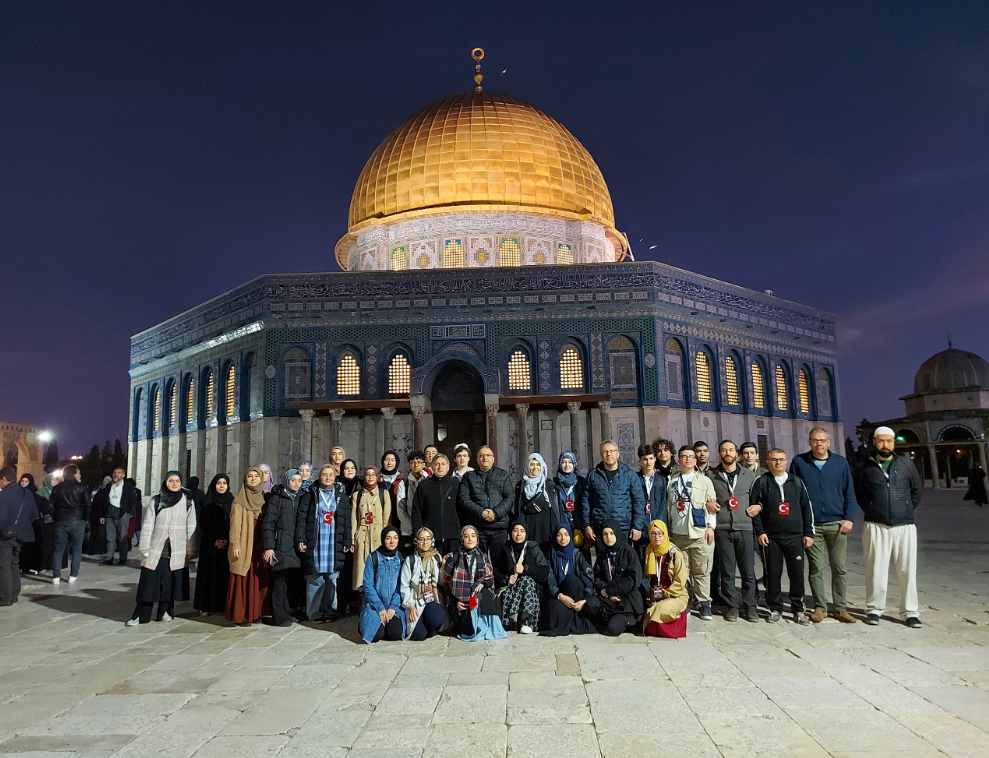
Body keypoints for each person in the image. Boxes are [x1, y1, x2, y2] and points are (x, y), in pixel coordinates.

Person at [790, 428, 859, 624]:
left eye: (822, 440)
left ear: (829, 443)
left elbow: (849, 492)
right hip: (812, 527)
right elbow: (795, 493)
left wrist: (848, 518)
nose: (819, 444)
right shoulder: (800, 462)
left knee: (839, 567)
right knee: (815, 568)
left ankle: (840, 607)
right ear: (809, 442)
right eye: (815, 440)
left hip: (836, 524)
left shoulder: (840, 463)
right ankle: (820, 607)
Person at [857, 427, 923, 628]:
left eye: (889, 441)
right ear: (874, 442)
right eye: (881, 441)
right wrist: (873, 509)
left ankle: (910, 611)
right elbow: (860, 493)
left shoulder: (906, 464)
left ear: (894, 443)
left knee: (907, 569)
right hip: (876, 524)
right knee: (875, 569)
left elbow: (916, 491)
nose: (885, 445)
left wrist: (904, 509)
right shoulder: (864, 466)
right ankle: (874, 609)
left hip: (904, 525)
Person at [751, 449, 814, 624]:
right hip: (771, 537)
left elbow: (806, 508)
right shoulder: (762, 482)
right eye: (774, 460)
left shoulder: (797, 482)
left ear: (786, 462)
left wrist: (808, 532)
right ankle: (775, 608)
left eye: (781, 459)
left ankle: (797, 608)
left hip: (795, 536)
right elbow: (754, 509)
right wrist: (760, 531)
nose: (778, 463)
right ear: (768, 462)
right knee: (772, 574)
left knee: (797, 574)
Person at [126, 472, 195, 625]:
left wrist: (190, 547)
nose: (175, 484)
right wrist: (144, 547)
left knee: (169, 582)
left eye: (177, 481)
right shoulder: (156, 500)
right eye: (171, 481)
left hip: (176, 548)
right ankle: (140, 615)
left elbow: (191, 525)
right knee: (149, 582)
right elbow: (148, 525)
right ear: (166, 482)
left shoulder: (187, 501)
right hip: (156, 548)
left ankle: (165, 611)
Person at [707, 440, 760, 622]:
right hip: (723, 529)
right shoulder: (711, 475)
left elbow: (759, 498)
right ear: (719, 453)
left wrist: (759, 506)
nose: (727, 453)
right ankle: (732, 606)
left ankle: (751, 606)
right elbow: (704, 497)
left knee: (748, 571)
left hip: (745, 527)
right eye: (723, 450)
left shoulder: (748, 475)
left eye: (731, 450)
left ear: (736, 454)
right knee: (727, 571)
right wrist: (707, 503)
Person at [665, 446, 718, 620]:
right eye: (684, 457)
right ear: (678, 461)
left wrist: (711, 527)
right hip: (677, 534)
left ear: (695, 460)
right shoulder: (671, 481)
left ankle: (704, 603)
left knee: (702, 570)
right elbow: (669, 506)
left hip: (699, 533)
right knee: (682, 571)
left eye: (691, 457)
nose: (687, 460)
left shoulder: (704, 481)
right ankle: (685, 601)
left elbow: (712, 506)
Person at [296, 464, 352, 622]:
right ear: (319, 477)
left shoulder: (340, 495)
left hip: (334, 542)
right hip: (317, 541)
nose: (327, 478)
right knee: (315, 579)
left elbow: (346, 520)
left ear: (335, 478)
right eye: (324, 475)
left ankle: (329, 611)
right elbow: (301, 519)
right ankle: (314, 613)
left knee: (331, 578)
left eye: (331, 475)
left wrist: (347, 540)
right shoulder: (310, 494)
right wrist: (301, 538)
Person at [443, 525, 507, 641]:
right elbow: (446, 584)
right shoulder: (453, 558)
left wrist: (482, 584)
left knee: (485, 592)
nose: (470, 539)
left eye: (473, 536)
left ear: (477, 539)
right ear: (462, 539)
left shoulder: (482, 557)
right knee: (468, 630)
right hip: (461, 604)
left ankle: (491, 629)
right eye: (466, 536)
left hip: (477, 600)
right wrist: (455, 602)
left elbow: (489, 578)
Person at [226, 468, 272, 627]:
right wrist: (235, 545)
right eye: (249, 477)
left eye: (256, 476)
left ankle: (257, 612)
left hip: (260, 544)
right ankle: (242, 615)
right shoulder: (239, 500)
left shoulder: (265, 499)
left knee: (259, 577)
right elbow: (234, 526)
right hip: (245, 544)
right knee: (243, 577)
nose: (253, 479)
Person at [582, 440, 646, 549]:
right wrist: (587, 525)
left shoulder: (629, 475)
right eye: (605, 452)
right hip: (600, 527)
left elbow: (639, 501)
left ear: (617, 454)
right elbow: (586, 502)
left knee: (623, 563)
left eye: (612, 451)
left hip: (623, 527)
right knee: (603, 563)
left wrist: (637, 526)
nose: (609, 454)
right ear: (601, 455)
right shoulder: (593, 476)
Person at [584, 519, 643, 636]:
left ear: (617, 533)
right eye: (605, 534)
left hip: (625, 600)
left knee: (613, 629)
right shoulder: (603, 554)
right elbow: (596, 576)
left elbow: (633, 579)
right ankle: (609, 619)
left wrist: (612, 590)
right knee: (590, 604)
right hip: (607, 598)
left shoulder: (628, 552)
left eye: (611, 533)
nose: (608, 537)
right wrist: (604, 590)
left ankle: (627, 621)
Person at [263, 469, 305, 627]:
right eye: (293, 480)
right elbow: (269, 523)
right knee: (279, 581)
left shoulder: (302, 497)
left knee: (292, 580)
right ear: (286, 481)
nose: (296, 483)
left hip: (296, 546)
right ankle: (279, 616)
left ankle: (288, 611)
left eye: (298, 480)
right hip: (280, 545)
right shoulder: (277, 498)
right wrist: (269, 547)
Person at [457, 446, 514, 558]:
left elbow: (510, 497)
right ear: (477, 459)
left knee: (499, 565)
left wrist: (496, 513)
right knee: (477, 563)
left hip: (499, 527)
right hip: (478, 527)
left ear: (493, 458)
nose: (485, 458)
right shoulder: (469, 477)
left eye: (488, 455)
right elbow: (464, 499)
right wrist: (481, 512)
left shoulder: (503, 475)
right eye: (481, 456)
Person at [494, 521, 550, 633]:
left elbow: (544, 572)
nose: (518, 534)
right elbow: (496, 572)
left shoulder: (533, 548)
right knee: (510, 589)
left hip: (530, 590)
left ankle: (525, 621)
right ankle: (512, 620)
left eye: (522, 531)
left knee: (526, 580)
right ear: (511, 533)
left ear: (526, 533)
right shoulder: (505, 549)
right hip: (511, 589)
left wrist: (526, 569)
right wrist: (506, 579)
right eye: (515, 531)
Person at [541, 523, 596, 636]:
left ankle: (576, 618)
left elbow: (588, 576)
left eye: (566, 535)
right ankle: (570, 622)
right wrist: (559, 595)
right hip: (559, 594)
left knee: (571, 580)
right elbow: (549, 577)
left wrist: (585, 599)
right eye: (559, 535)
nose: (563, 538)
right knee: (555, 609)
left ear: (570, 536)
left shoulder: (577, 554)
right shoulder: (551, 555)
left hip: (577, 594)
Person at [641, 519, 689, 638]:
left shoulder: (674, 554)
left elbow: (680, 581)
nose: (657, 537)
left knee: (660, 609)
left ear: (665, 534)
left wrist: (666, 593)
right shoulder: (648, 551)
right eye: (653, 533)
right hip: (654, 595)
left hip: (674, 595)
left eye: (660, 533)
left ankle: (681, 613)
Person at [193, 474, 233, 615]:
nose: (221, 486)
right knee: (209, 576)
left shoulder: (232, 501)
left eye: (224, 483)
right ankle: (207, 606)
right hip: (210, 547)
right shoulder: (208, 501)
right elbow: (203, 525)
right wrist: (213, 541)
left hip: (228, 544)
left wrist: (228, 540)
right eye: (218, 483)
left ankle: (223, 605)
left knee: (224, 576)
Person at [359, 526, 407, 643]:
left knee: (395, 634)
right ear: (383, 539)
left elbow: (400, 586)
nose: (392, 541)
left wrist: (392, 607)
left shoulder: (400, 558)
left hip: (392, 605)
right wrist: (380, 608)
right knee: (374, 636)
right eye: (388, 538)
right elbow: (368, 585)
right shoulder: (373, 557)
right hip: (375, 605)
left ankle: (385, 625)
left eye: (395, 538)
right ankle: (367, 623)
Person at [400, 527, 448, 640]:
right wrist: (410, 605)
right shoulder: (410, 560)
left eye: (428, 539)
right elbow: (404, 585)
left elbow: (440, 581)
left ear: (432, 541)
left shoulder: (436, 557)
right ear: (417, 541)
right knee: (418, 636)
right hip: (416, 600)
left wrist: (443, 567)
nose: (425, 542)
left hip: (433, 599)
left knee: (434, 618)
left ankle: (432, 625)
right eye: (421, 539)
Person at [0, 468, 38, 606]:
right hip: (22, 534)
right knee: (14, 563)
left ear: (4, 479)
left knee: (3, 564)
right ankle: (14, 593)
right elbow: (34, 514)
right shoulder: (26, 493)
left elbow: (1, 518)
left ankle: (5, 596)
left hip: (6, 535)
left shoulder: (4, 494)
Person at [513, 453, 565, 553]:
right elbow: (518, 508)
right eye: (532, 464)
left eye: (538, 464)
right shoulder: (521, 486)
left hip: (546, 527)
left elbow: (556, 508)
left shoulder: (550, 485)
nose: (535, 467)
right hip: (529, 525)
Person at [351, 465, 392, 591]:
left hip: (378, 534)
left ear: (377, 476)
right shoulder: (357, 495)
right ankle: (362, 599)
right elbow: (354, 519)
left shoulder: (383, 494)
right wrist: (353, 539)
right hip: (362, 535)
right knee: (361, 570)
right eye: (368, 475)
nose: (370, 477)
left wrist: (387, 538)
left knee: (378, 567)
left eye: (373, 474)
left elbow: (387, 518)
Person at [49, 464, 91, 585]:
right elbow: (87, 505)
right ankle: (73, 574)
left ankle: (56, 576)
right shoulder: (82, 487)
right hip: (77, 521)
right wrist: (86, 519)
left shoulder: (57, 488)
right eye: (78, 472)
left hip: (61, 521)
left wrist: (55, 518)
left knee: (59, 549)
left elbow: (51, 506)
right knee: (77, 548)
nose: (80, 474)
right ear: (73, 474)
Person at [411, 454, 461, 554]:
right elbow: (417, 511)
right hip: (430, 538)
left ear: (448, 466)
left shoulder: (455, 484)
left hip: (453, 537)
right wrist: (419, 533)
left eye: (443, 464)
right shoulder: (424, 485)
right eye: (437, 464)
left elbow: (462, 510)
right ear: (432, 467)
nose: (440, 467)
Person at [93, 466, 141, 566]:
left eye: (118, 473)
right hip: (110, 515)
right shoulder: (109, 486)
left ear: (123, 475)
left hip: (122, 514)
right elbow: (104, 501)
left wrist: (127, 513)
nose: (116, 474)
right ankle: (109, 558)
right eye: (114, 472)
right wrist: (102, 515)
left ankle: (123, 559)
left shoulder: (128, 486)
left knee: (122, 537)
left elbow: (133, 500)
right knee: (110, 537)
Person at [17, 474, 54, 577]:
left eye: (26, 481)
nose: (23, 483)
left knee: (30, 547)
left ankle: (29, 566)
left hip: (32, 526)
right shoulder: (15, 494)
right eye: (22, 481)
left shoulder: (36, 496)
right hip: (19, 525)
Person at [552, 452, 587, 550]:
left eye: (570, 462)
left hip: (578, 526)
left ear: (574, 464)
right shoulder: (553, 483)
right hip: (560, 528)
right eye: (564, 462)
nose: (567, 465)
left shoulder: (581, 482)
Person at [636, 444, 668, 551]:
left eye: (651, 458)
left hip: (657, 529)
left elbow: (664, 503)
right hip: (641, 529)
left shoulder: (662, 480)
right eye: (645, 459)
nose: (648, 462)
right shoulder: (635, 479)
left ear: (655, 459)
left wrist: (658, 524)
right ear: (640, 461)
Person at [401, 451, 429, 548]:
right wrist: (414, 527)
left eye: (419, 462)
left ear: (424, 464)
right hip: (409, 530)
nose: (416, 465)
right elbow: (400, 509)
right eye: (412, 462)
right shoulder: (404, 483)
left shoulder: (430, 481)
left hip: (428, 530)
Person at [379, 451, 405, 532]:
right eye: (386, 460)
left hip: (397, 519)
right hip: (379, 519)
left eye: (392, 460)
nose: (389, 462)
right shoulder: (376, 479)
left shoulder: (401, 481)